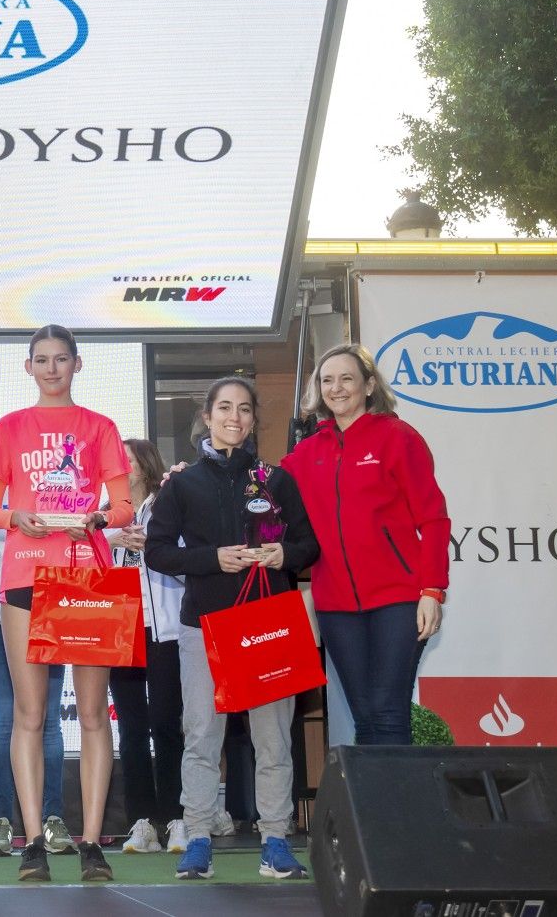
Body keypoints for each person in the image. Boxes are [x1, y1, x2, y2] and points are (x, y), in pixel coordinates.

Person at [0, 324, 134, 882]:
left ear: (77, 364)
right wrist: (15, 517)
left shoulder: (100, 427)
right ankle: (32, 844)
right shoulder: (10, 427)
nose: (51, 368)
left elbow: (123, 508)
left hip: (87, 575)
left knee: (92, 714)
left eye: (61, 359)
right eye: (41, 359)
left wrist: (95, 519)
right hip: (25, 575)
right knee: (29, 714)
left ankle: (91, 842)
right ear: (28, 367)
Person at [146, 375, 317, 881]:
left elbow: (309, 545)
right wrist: (211, 559)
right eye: (224, 408)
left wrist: (283, 554)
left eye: (244, 409)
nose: (234, 417)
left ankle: (276, 839)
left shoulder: (276, 480)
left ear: (253, 419)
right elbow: (157, 551)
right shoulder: (182, 483)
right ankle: (198, 837)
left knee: (274, 739)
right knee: (201, 736)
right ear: (207, 416)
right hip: (205, 626)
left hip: (268, 624)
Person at [280, 344, 450, 745]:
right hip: (336, 605)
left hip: (399, 600)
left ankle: (391, 791)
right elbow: (260, 492)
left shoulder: (398, 438)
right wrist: (185, 478)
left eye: (347, 378)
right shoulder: (307, 453)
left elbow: (434, 519)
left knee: (388, 714)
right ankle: (377, 790)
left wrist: (432, 591)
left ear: (369, 385)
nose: (336, 388)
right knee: (366, 719)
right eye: (327, 380)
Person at [0, 492, 72, 858]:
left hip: (47, 617)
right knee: (5, 720)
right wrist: (7, 610)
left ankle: (53, 818)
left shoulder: (53, 495)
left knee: (49, 721)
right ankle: (1, 820)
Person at [104, 439, 186, 855]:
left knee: (167, 723)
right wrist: (113, 539)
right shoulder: (103, 514)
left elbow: (187, 560)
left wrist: (154, 547)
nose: (121, 467)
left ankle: (177, 816)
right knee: (131, 729)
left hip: (164, 629)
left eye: (129, 460)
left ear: (147, 465)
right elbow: (81, 562)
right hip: (120, 630)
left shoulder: (169, 503)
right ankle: (141, 821)